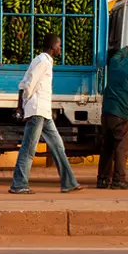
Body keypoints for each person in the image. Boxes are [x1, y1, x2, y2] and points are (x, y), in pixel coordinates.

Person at [10, 34, 82, 195]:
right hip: (37, 111)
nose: (60, 49)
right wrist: (27, 104)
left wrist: (22, 105)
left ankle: (69, 182)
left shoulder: (42, 61)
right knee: (29, 149)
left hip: (44, 112)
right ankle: (18, 184)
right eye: (59, 46)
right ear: (52, 47)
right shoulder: (43, 61)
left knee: (58, 147)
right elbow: (27, 85)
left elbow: (23, 85)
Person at [97, 54, 128, 190]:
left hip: (106, 114)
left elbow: (116, 55)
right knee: (121, 148)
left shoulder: (115, 65)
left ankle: (102, 180)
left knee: (107, 147)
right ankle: (119, 180)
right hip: (121, 115)